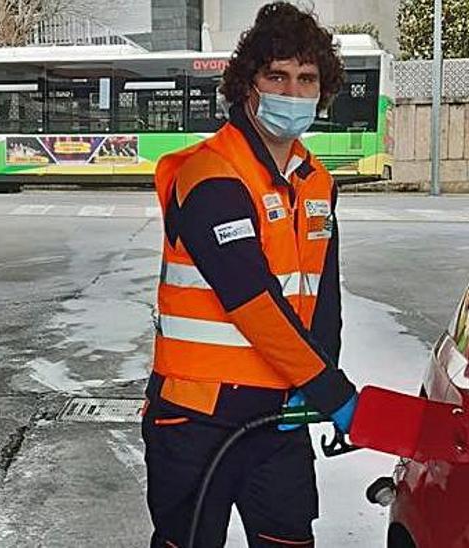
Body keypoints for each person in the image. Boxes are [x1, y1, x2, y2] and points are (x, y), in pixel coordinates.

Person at [141, 3, 357, 546]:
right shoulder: (210, 175)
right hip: (196, 420)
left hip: (280, 417)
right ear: (248, 85)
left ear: (322, 90)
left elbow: (321, 295)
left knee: (289, 539)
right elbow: (252, 299)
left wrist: (315, 380)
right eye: (276, 75)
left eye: (306, 78)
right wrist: (330, 390)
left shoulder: (315, 182)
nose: (292, 90)